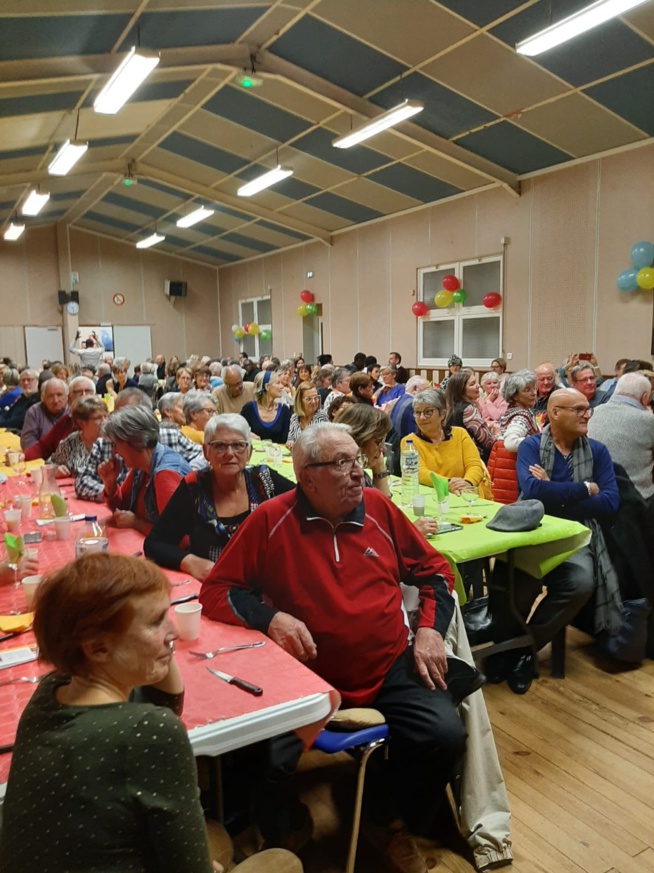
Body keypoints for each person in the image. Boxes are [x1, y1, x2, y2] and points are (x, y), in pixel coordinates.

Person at [199, 424, 466, 872]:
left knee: (443, 737)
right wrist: (272, 618)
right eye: (340, 463)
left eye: (356, 460)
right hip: (306, 676)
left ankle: (385, 814)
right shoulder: (270, 519)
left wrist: (429, 631)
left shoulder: (379, 508)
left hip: (385, 665)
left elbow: (435, 572)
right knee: (263, 759)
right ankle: (287, 829)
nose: (356, 473)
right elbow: (218, 591)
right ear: (306, 477)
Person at [0, 552, 220, 873]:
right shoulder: (148, 732)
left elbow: (163, 708)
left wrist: (155, 636)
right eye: (157, 621)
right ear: (98, 648)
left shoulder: (49, 693)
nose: (173, 633)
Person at [497, 388, 621, 694]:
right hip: (534, 533)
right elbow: (533, 494)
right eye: (578, 409)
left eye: (586, 408)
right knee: (517, 586)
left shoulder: (598, 451)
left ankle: (523, 651)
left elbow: (609, 503)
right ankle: (502, 649)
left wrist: (554, 490)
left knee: (580, 582)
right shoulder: (530, 446)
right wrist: (583, 488)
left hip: (574, 537)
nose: (587, 414)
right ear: (554, 413)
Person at [144, 414, 294, 581]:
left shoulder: (265, 480)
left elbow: (307, 507)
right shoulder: (194, 488)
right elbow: (155, 543)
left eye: (238, 445)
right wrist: (191, 562)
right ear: (206, 452)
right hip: (215, 587)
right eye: (220, 446)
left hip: (268, 586)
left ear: (249, 452)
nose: (230, 453)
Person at [337, 404, 437, 538]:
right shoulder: (349, 481)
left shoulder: (353, 472)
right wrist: (411, 531)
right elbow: (373, 533)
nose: (383, 449)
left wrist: (379, 468)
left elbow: (383, 509)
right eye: (378, 442)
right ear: (358, 439)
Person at [98, 405, 190, 532]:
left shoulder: (165, 473)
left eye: (115, 444)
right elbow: (122, 510)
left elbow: (178, 537)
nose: (114, 451)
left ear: (135, 440)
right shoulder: (141, 466)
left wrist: (137, 523)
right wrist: (110, 484)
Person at [404, 389, 491, 497]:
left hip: (467, 495)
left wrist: (467, 483)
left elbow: (474, 465)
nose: (422, 417)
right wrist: (449, 483)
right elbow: (419, 473)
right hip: (434, 497)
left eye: (428, 412)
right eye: (417, 412)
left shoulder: (460, 434)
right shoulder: (409, 442)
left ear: (442, 415)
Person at [587, 372, 654, 501]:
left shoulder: (592, 412)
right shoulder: (648, 420)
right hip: (638, 498)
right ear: (645, 397)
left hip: (596, 493)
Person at [22, 376, 96, 461]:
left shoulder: (101, 421)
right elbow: (43, 446)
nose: (84, 395)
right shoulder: (66, 420)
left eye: (88, 391)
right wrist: (23, 456)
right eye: (78, 392)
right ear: (70, 397)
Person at [50, 395, 108, 478]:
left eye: (106, 416)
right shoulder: (71, 441)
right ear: (81, 423)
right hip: (74, 489)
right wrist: (56, 469)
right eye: (98, 418)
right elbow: (51, 464)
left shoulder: (113, 442)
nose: (105, 421)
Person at [445, 371, 496, 463]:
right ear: (461, 390)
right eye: (472, 384)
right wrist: (497, 434)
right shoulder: (468, 409)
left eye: (476, 382)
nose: (478, 386)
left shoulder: (448, 406)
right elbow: (488, 442)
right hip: (471, 460)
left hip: (452, 456)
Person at [240, 370, 291, 444]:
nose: (282, 386)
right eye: (278, 383)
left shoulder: (284, 410)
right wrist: (248, 434)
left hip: (277, 454)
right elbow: (237, 429)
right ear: (267, 387)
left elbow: (286, 440)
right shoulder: (249, 408)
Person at [20, 377, 68, 449]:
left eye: (59, 395)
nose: (55, 400)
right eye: (50, 396)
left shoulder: (74, 411)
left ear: (67, 397)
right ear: (43, 398)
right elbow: (27, 441)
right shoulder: (34, 411)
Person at [498, 369, 539, 451]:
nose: (534, 393)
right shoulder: (521, 416)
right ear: (514, 395)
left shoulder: (512, 410)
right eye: (527, 390)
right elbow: (510, 443)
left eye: (534, 388)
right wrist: (539, 441)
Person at [389, 375, 430, 441]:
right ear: (415, 388)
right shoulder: (415, 405)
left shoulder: (399, 400)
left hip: (395, 444)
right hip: (408, 445)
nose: (428, 394)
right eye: (426, 390)